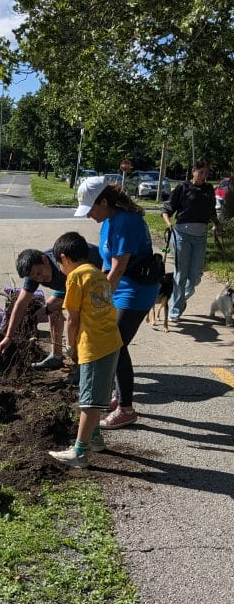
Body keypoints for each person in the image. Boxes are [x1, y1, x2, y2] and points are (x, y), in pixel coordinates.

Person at [75, 175, 160, 429]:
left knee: (116, 346)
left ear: (103, 201)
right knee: (112, 343)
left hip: (136, 292)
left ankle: (126, 409)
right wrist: (97, 292)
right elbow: (105, 263)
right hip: (120, 289)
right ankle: (116, 396)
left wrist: (99, 302)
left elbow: (119, 268)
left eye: (91, 209)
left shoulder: (124, 221)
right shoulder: (109, 221)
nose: (89, 215)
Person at [48, 232, 122, 469]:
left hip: (94, 345)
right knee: (98, 391)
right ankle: (96, 438)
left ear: (64, 258)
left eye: (59, 265)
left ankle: (80, 452)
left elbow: (72, 318)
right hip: (111, 341)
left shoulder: (75, 277)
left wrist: (70, 347)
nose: (60, 269)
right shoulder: (97, 273)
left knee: (89, 399)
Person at [0, 244, 102, 369]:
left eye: (39, 273)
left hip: (96, 279)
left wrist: (47, 309)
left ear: (45, 259)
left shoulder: (66, 265)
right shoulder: (33, 273)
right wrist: (9, 336)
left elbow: (81, 300)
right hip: (68, 286)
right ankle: (56, 356)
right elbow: (21, 304)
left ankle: (82, 363)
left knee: (75, 318)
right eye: (35, 277)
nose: (40, 278)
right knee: (52, 308)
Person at [161, 157, 221, 323]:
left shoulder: (209, 189)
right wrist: (168, 224)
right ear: (193, 171)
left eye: (206, 173)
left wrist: (217, 225)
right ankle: (174, 311)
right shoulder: (183, 187)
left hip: (201, 236)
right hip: (182, 235)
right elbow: (167, 209)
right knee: (181, 274)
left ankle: (179, 299)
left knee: (195, 276)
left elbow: (211, 212)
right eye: (201, 172)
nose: (203, 176)